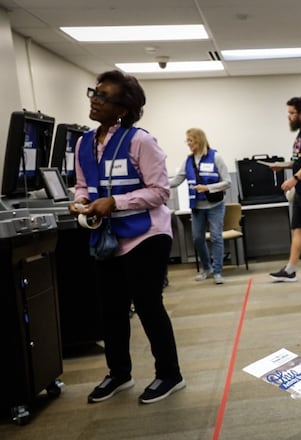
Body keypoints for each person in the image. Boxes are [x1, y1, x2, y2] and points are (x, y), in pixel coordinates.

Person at [68, 70, 185, 404]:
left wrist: (115, 202)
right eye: (95, 92)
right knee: (112, 309)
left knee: (148, 305)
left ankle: (169, 374)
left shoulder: (140, 141)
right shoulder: (83, 143)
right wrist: (80, 202)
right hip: (107, 237)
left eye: (104, 96)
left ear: (122, 109)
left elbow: (160, 192)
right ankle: (119, 373)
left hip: (146, 234)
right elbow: (82, 184)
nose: (94, 99)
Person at [169, 128, 231, 284]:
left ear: (199, 140)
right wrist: (156, 184)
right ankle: (206, 267)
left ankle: (217, 271)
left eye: (191, 140)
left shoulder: (216, 157)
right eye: (187, 140)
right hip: (197, 206)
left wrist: (208, 188)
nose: (188, 144)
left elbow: (227, 182)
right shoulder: (188, 161)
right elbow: (176, 181)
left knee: (216, 237)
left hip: (215, 205)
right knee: (197, 238)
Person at [269, 96, 301, 282]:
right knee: (297, 228)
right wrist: (282, 166)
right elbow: (299, 161)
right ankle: (290, 270)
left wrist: (295, 179)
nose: (288, 117)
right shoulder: (300, 135)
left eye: (291, 113)